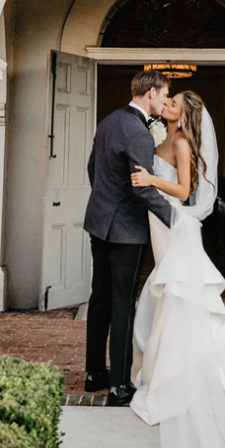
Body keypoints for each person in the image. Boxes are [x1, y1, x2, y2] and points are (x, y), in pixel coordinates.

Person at [130, 90, 225, 448]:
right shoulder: (166, 137)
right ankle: (167, 371)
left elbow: (185, 191)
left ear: (184, 113)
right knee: (168, 293)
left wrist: (150, 180)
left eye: (174, 102)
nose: (167, 102)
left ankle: (190, 377)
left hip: (176, 226)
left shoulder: (184, 141)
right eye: (167, 99)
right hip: (163, 224)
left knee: (180, 298)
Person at [83, 70, 175, 407]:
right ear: (150, 93)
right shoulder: (139, 133)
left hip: (99, 223)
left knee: (101, 298)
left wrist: (107, 201)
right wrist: (175, 219)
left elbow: (93, 168)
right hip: (126, 231)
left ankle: (94, 373)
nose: (166, 100)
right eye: (165, 94)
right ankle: (119, 385)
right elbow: (143, 188)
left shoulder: (109, 121)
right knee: (123, 304)